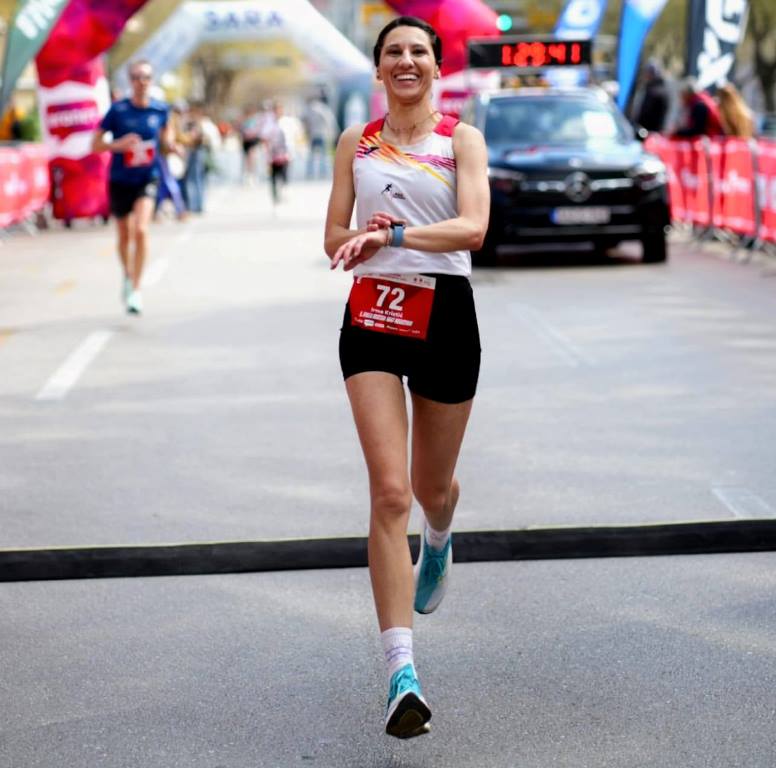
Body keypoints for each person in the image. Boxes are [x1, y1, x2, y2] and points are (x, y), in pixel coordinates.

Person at [323, 16, 489, 739]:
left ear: (436, 67)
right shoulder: (355, 142)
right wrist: (357, 241)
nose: (406, 61)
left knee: (428, 488)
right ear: (379, 68)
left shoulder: (461, 140)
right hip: (373, 312)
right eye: (394, 52)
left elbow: (473, 228)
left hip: (445, 311)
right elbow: (332, 234)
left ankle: (441, 530)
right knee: (390, 492)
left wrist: (394, 233)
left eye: (419, 51)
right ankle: (401, 674)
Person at [93, 60, 172, 314]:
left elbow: (167, 140)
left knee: (141, 230)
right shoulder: (118, 110)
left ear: (152, 80)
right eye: (137, 77)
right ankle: (127, 276)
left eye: (146, 76)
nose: (141, 81)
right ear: (130, 81)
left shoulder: (161, 110)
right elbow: (95, 144)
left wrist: (173, 146)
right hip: (120, 179)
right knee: (124, 235)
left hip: (147, 177)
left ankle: (136, 289)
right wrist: (119, 145)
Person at [302, 94, 338, 179]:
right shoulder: (323, 108)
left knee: (311, 155)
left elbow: (304, 120)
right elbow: (329, 120)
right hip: (322, 134)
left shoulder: (309, 109)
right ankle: (323, 172)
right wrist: (333, 132)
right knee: (323, 154)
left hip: (312, 134)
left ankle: (310, 172)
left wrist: (307, 130)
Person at [263, 101, 292, 205]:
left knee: (284, 172)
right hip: (273, 154)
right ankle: (275, 196)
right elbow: (265, 138)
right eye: (276, 110)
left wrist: (291, 152)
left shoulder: (286, 122)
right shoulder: (269, 123)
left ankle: (284, 190)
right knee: (274, 175)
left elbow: (291, 138)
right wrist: (267, 153)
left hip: (284, 153)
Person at [633, 60, 670, 133]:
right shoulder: (648, 87)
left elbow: (659, 115)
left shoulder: (659, 91)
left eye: (649, 72)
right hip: (642, 129)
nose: (647, 75)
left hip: (651, 131)